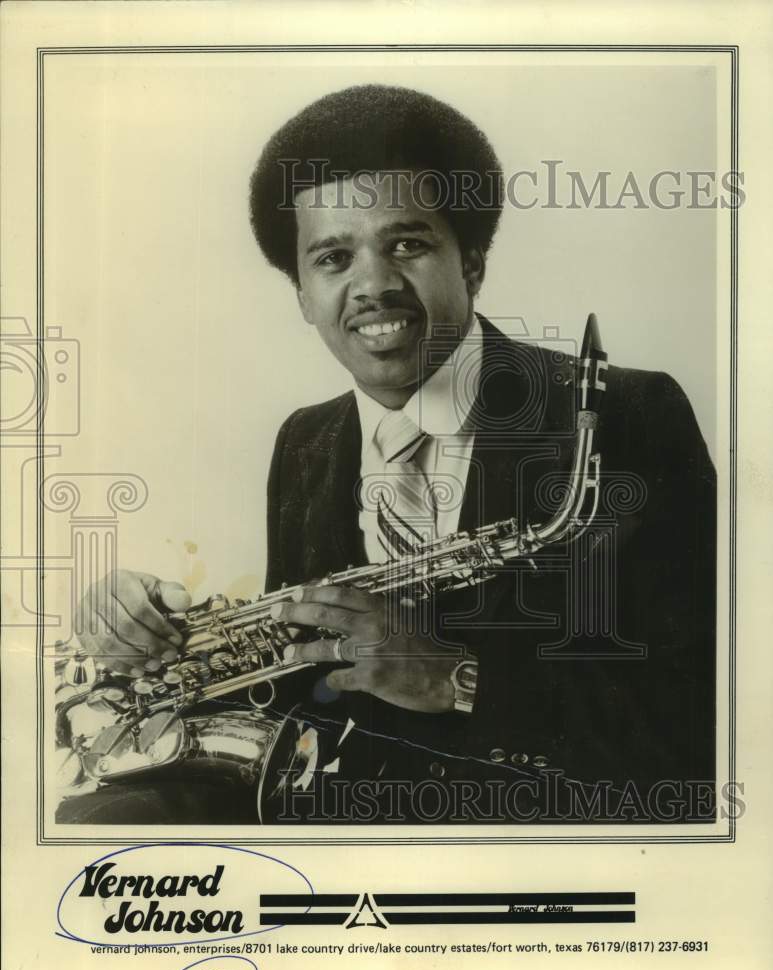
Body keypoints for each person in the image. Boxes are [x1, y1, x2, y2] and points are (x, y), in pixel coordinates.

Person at [58, 84, 716, 824]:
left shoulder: (622, 416)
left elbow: (703, 722)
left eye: (406, 244)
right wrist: (152, 642)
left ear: (470, 263)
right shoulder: (303, 441)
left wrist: (459, 680)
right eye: (333, 258)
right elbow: (298, 679)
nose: (371, 285)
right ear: (303, 295)